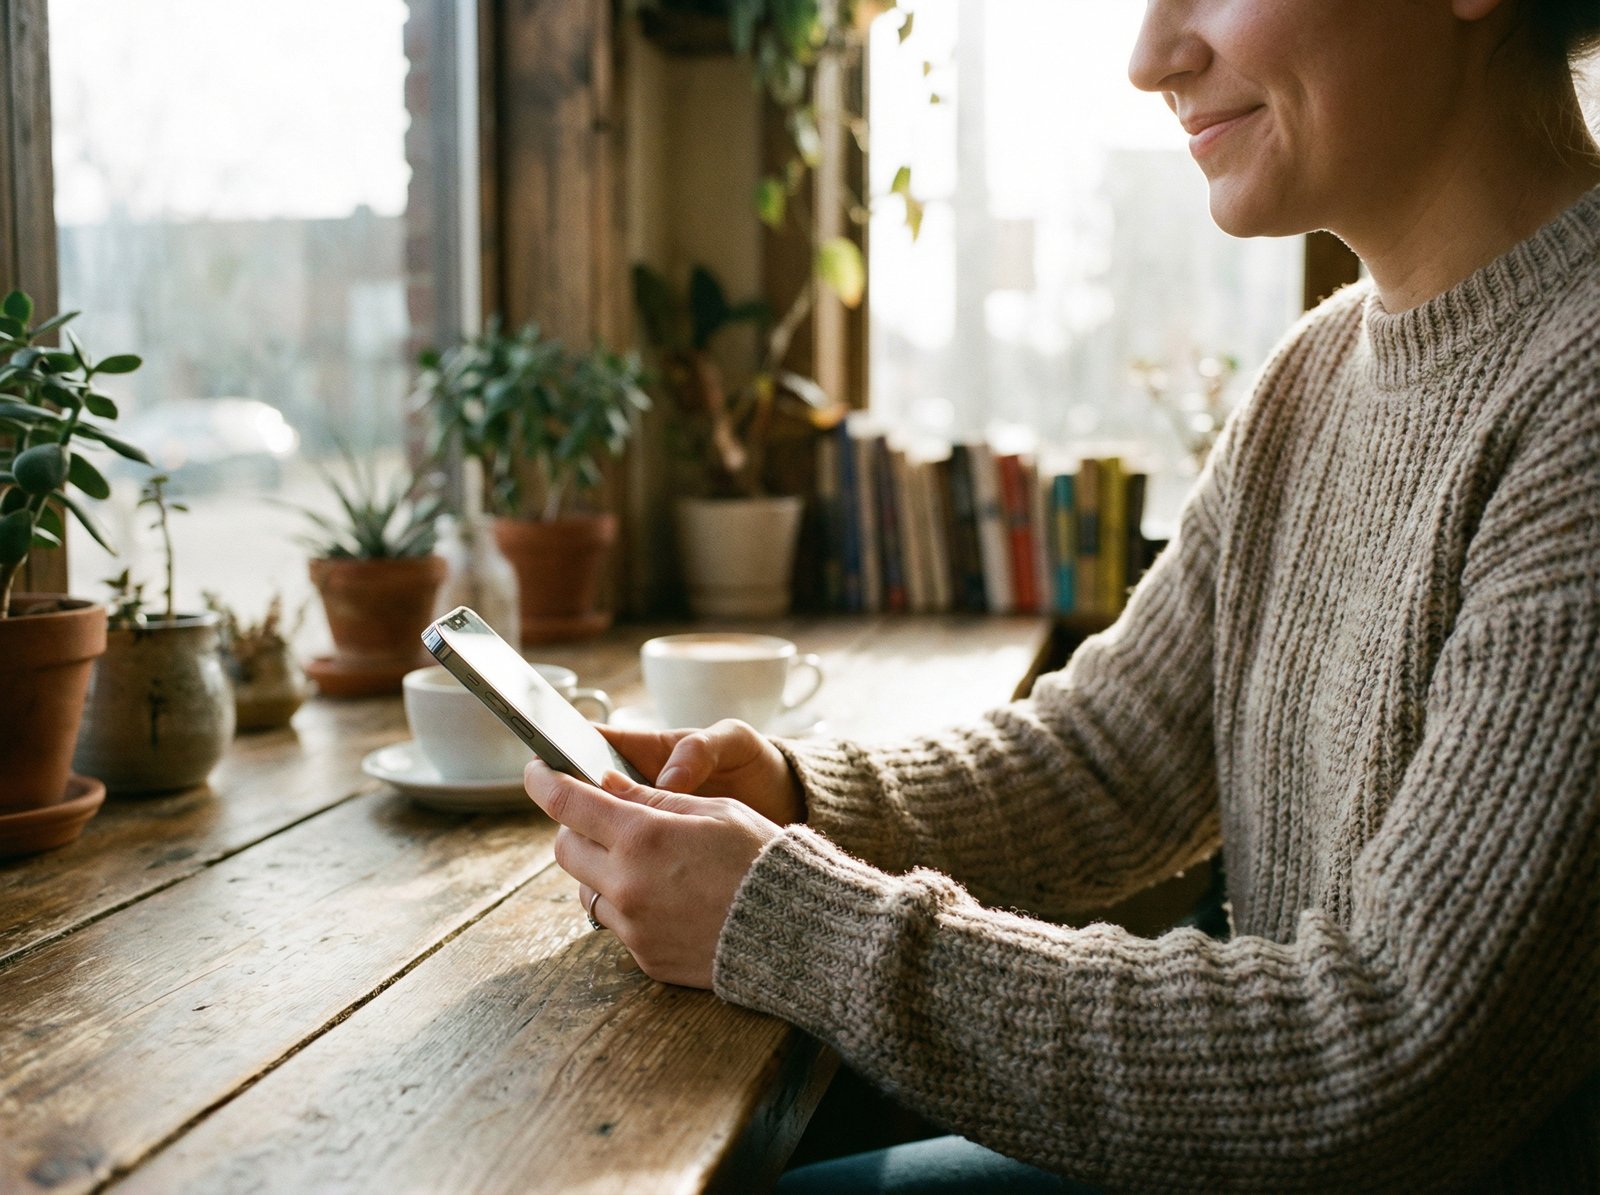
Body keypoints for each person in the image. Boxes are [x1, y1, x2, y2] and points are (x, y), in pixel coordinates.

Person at [527, 0, 1600, 1188]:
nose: (1151, 60)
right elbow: (1112, 754)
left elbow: (1383, 1050)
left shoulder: (1579, 407)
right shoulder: (1314, 372)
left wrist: (793, 920)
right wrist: (799, 795)